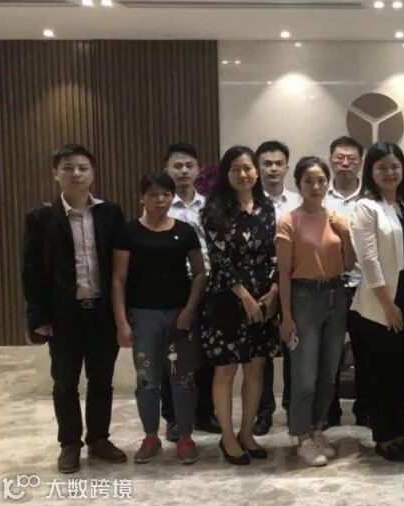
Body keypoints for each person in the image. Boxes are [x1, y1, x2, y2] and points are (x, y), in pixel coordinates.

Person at [23, 144, 128, 474]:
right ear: (56, 174)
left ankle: (98, 438)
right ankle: (69, 443)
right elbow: (31, 271)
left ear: (92, 173)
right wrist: (38, 317)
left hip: (102, 312)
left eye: (83, 167)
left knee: (102, 380)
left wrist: (123, 314)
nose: (76, 174)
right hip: (63, 315)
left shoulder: (110, 213)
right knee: (65, 382)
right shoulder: (40, 218)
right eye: (68, 168)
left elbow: (121, 266)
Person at [112, 171, 206, 465]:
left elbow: (200, 273)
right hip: (144, 318)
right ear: (142, 197)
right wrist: (122, 322)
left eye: (166, 194)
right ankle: (151, 437)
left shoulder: (185, 231)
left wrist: (189, 310)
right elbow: (118, 279)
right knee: (147, 380)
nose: (160, 200)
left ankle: (186, 437)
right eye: (153, 195)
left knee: (183, 379)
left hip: (179, 316)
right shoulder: (129, 232)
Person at [199, 146, 280, 465]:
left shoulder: (266, 208)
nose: (243, 174)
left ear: (256, 172)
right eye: (235, 169)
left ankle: (247, 432)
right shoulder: (214, 210)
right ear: (225, 174)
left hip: (263, 298)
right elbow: (219, 259)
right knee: (226, 370)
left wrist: (273, 291)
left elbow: (274, 253)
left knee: (256, 368)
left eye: (247, 168)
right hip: (227, 299)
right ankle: (228, 436)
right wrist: (245, 296)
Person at [276, 156, 358, 466]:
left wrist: (345, 233)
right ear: (299, 184)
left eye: (321, 180)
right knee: (305, 376)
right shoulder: (289, 221)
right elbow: (283, 274)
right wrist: (287, 317)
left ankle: (318, 428)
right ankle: (302, 436)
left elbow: (349, 264)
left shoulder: (336, 218)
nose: (315, 186)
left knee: (328, 374)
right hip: (304, 298)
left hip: (336, 296)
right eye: (309, 180)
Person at [349, 142, 404, 462]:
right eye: (382, 167)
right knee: (381, 373)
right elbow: (368, 260)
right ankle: (383, 437)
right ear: (371, 172)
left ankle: (399, 433)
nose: (389, 172)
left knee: (403, 371)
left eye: (394, 166)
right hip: (381, 304)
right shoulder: (367, 207)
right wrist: (388, 305)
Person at [162, 142, 221, 439]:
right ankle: (173, 417)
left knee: (207, 354)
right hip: (174, 289)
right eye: (177, 166)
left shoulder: (210, 207)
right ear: (167, 170)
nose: (183, 171)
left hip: (209, 287)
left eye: (189, 166)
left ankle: (204, 413)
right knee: (174, 356)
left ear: (198, 170)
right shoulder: (160, 207)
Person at [324, 136, 370, 428]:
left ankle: (365, 409)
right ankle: (329, 411)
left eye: (351, 159)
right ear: (331, 160)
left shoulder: (370, 198)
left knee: (365, 350)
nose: (344, 164)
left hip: (364, 286)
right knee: (330, 351)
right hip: (330, 284)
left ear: (360, 163)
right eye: (339, 158)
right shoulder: (320, 195)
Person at [256, 139, 301, 436]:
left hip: (292, 283)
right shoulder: (247, 202)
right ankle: (263, 412)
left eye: (278, 163)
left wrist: (278, 283)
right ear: (258, 167)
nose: (273, 168)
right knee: (261, 352)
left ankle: (293, 407)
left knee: (293, 347)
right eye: (267, 164)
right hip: (257, 286)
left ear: (286, 166)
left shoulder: (298, 202)